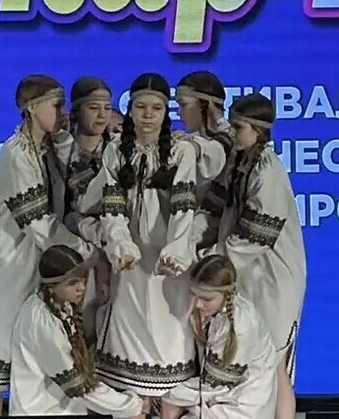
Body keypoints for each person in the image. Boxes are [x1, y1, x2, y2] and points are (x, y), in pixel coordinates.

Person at [0, 75, 92, 416]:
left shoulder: (47, 148)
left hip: (38, 260)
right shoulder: (16, 152)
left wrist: (63, 138)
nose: (62, 113)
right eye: (56, 105)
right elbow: (36, 221)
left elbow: (75, 182)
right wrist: (83, 250)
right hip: (8, 262)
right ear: (33, 108)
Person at [96, 73, 201, 397]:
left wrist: (176, 253)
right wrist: (121, 245)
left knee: (170, 335)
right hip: (131, 261)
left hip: (167, 262)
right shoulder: (115, 151)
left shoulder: (181, 152)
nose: (148, 115)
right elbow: (112, 208)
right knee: (130, 334)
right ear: (130, 109)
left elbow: (184, 208)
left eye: (156, 108)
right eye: (141, 107)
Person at [202, 94, 305, 419]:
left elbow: (254, 238)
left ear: (258, 130)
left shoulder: (267, 171)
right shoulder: (240, 160)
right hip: (248, 276)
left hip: (272, 278)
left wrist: (209, 257)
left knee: (274, 362)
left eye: (238, 127)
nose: (232, 133)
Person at [9, 245, 151, 417]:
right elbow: (77, 386)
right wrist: (131, 404)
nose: (82, 287)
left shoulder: (59, 305)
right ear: (52, 286)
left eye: (83, 279)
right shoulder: (43, 323)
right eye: (72, 283)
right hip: (41, 411)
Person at [159, 255, 277, 419]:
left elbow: (215, 385)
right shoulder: (214, 312)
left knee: (170, 401)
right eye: (194, 295)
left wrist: (170, 396)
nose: (198, 304)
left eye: (206, 299)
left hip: (241, 405)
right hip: (218, 398)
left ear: (227, 294)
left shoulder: (241, 326)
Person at [63, 76, 117, 339]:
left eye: (107, 108)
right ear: (77, 110)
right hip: (76, 255)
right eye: (94, 108)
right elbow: (73, 209)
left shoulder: (119, 150)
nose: (102, 115)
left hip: (117, 252)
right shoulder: (62, 152)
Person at [174, 71, 235, 253]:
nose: (178, 112)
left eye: (183, 104)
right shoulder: (187, 141)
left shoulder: (235, 144)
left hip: (219, 248)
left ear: (205, 104)